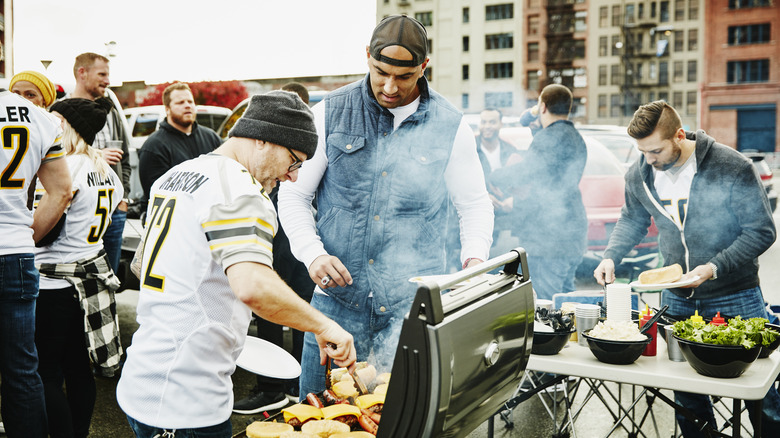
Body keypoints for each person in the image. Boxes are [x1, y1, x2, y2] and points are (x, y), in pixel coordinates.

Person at [116, 91, 356, 438]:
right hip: (187, 400)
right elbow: (253, 285)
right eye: (293, 161)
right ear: (262, 139)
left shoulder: (175, 176)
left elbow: (146, 268)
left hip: (142, 378)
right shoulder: (240, 190)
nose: (292, 177)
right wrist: (324, 326)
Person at [277, 14, 494, 398]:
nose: (390, 87)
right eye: (380, 73)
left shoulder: (451, 125)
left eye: (404, 77)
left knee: (405, 418)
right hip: (337, 303)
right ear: (367, 57)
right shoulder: (329, 112)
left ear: (423, 67)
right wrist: (311, 255)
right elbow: (294, 195)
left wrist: (474, 262)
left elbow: (474, 204)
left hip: (412, 307)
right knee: (318, 414)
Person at [593, 100, 779, 436]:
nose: (648, 159)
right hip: (678, 297)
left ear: (679, 135)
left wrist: (713, 267)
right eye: (642, 151)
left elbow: (762, 231)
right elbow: (632, 218)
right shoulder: (641, 173)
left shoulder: (730, 165)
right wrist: (611, 255)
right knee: (686, 391)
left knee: (759, 392)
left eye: (655, 150)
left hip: (735, 293)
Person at [34, 97, 124, 438]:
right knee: (79, 371)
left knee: (43, 373)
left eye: (55, 119)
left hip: (53, 283)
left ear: (69, 126)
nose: (50, 124)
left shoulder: (64, 167)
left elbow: (40, 232)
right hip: (87, 284)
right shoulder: (105, 170)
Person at [233, 84, 315, 414]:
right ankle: (271, 387)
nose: (292, 173)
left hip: (306, 244)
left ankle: (295, 382)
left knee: (301, 308)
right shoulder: (244, 184)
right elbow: (255, 290)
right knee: (270, 312)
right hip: (274, 242)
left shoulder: (311, 147)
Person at [0, 83, 73, 437]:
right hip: (15, 253)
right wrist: (25, 238)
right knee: (22, 370)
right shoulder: (40, 117)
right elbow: (61, 190)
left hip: (16, 247)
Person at [490, 84, 587, 301]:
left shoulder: (549, 139)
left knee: (548, 301)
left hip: (550, 240)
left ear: (542, 107)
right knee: (565, 300)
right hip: (571, 233)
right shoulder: (574, 137)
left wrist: (495, 176)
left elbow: (527, 171)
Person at [69, 52, 131, 276]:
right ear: (82, 73)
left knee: (110, 277)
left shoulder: (110, 111)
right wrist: (95, 156)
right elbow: (56, 158)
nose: (107, 80)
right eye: (102, 74)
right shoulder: (62, 111)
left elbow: (125, 157)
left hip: (113, 210)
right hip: (78, 211)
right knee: (79, 275)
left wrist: (123, 198)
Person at [138, 82, 223, 212]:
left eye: (190, 101)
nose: (187, 105)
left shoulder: (211, 137)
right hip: (171, 216)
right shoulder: (154, 146)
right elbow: (156, 194)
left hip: (212, 213)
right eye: (180, 102)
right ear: (167, 109)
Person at [10, 70, 59, 210]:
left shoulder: (52, 130)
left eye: (30, 95)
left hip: (37, 212)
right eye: (16, 94)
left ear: (44, 100)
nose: (21, 100)